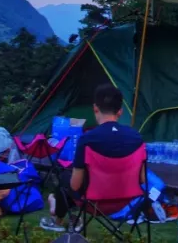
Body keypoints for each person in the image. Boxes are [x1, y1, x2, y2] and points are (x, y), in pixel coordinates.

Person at [40, 83, 145, 232]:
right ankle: (59, 212)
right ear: (120, 112)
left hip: (94, 203)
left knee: (65, 177)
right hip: (127, 200)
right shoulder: (137, 138)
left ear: (95, 108)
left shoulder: (88, 139)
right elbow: (143, 180)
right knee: (73, 180)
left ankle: (57, 216)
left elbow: (75, 186)